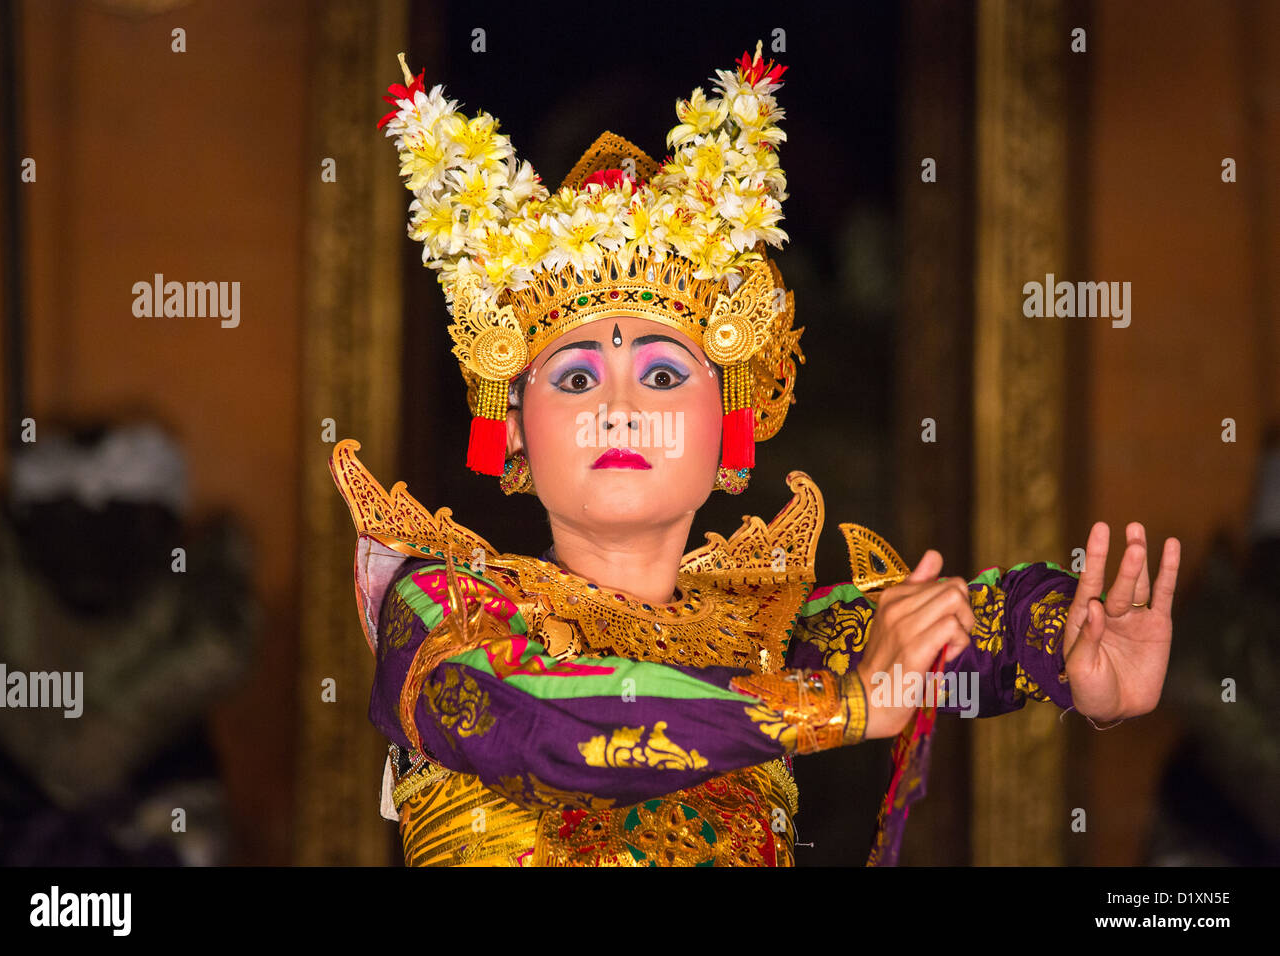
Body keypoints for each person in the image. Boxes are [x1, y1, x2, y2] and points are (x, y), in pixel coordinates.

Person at [329, 42, 1181, 866]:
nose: (622, 411)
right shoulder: (443, 612)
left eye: (663, 374)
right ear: (513, 425)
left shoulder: (765, 639)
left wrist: (1072, 657)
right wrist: (837, 707)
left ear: (731, 417)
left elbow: (966, 625)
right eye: (577, 380)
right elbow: (546, 720)